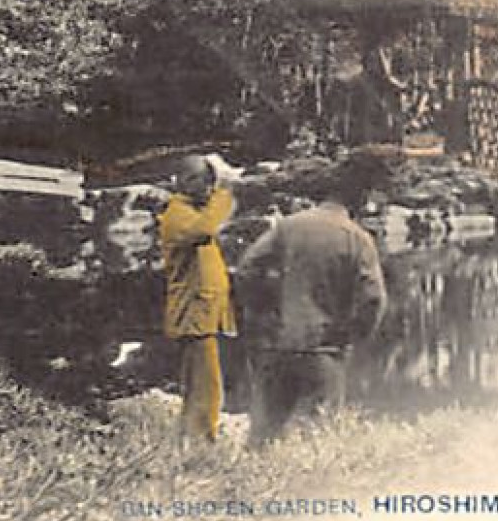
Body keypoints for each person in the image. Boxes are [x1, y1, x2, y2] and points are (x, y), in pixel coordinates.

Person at [235, 156, 387, 444]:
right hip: (325, 346)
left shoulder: (288, 226)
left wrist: (264, 310)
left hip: (279, 341)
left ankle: (253, 483)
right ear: (361, 196)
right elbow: (373, 299)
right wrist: (354, 334)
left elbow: (246, 269)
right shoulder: (357, 237)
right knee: (320, 430)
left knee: (265, 430)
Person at [158, 152, 238, 445]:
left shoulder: (191, 212)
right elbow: (205, 229)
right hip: (193, 314)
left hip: (203, 313)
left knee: (203, 382)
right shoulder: (178, 214)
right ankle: (201, 441)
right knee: (204, 384)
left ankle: (195, 437)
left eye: (210, 183)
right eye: (204, 183)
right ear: (186, 182)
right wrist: (225, 188)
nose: (207, 189)